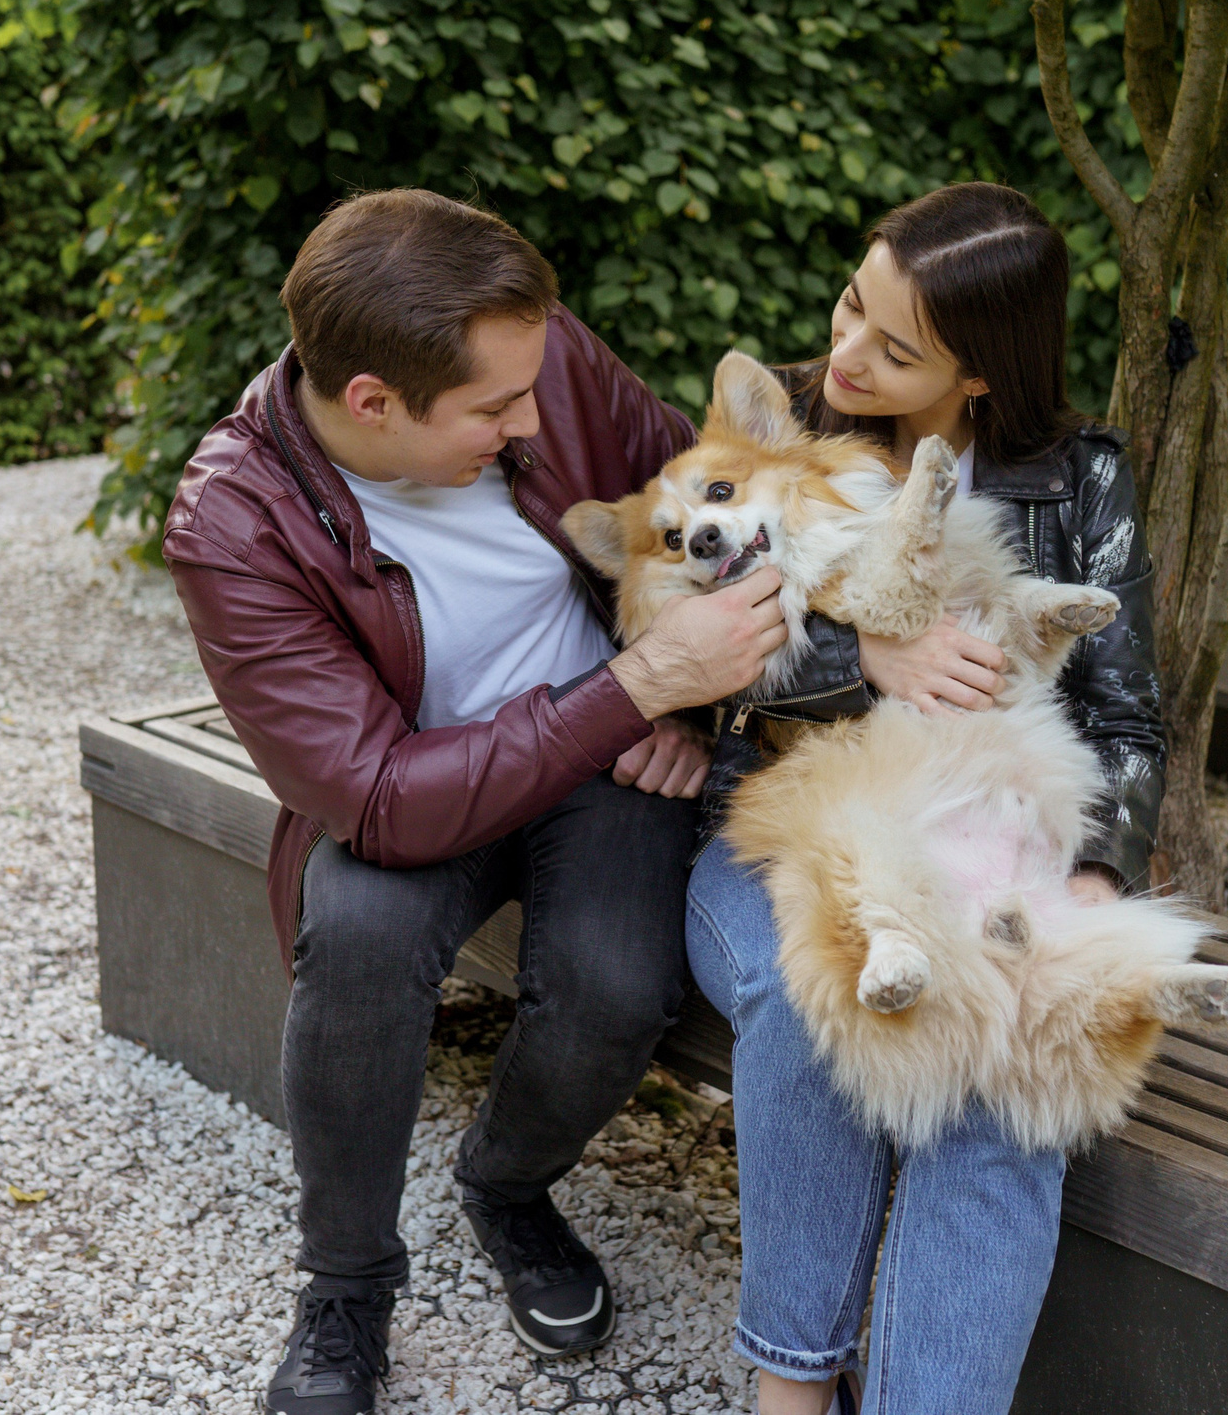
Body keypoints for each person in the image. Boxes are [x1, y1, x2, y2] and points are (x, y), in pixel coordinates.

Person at [163, 188, 789, 1415]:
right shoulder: (233, 520)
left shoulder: (534, 360)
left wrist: (684, 712)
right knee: (356, 939)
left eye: (532, 389)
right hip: (414, 778)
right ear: (371, 404)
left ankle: (504, 1184)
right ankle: (344, 1289)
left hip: (600, 762)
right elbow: (377, 797)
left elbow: (699, 524)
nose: (527, 421)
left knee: (616, 987)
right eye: (494, 410)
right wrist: (636, 690)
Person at [684, 181, 1166, 1414]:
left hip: (989, 841)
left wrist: (1088, 878)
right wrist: (861, 659)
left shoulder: (1079, 484)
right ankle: (791, 1385)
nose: (843, 354)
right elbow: (673, 650)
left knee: (1013, 1087)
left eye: (894, 349)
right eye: (852, 305)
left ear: (982, 378)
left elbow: (1122, 716)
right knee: (812, 989)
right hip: (786, 829)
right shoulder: (768, 425)